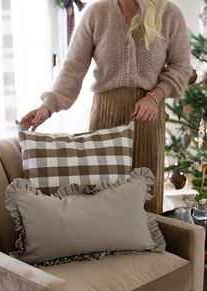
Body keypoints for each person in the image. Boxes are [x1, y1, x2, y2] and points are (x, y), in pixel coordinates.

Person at [20, 0, 191, 214]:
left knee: (145, 201)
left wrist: (155, 97)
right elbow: (73, 69)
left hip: (147, 119)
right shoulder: (96, 12)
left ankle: (148, 249)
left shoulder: (169, 12)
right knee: (103, 201)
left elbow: (181, 66)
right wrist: (47, 107)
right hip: (105, 118)